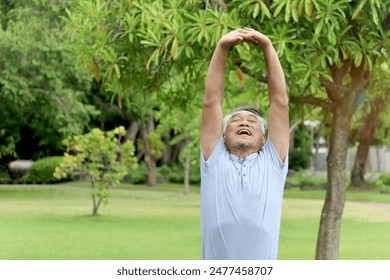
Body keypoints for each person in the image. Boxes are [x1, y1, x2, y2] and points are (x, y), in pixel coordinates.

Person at [200, 28, 289, 260]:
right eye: (236, 121)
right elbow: (211, 102)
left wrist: (268, 46)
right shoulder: (214, 159)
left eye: (252, 121)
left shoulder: (273, 162)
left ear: (263, 139)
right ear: (223, 136)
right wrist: (222, 47)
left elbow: (279, 103)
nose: (244, 122)